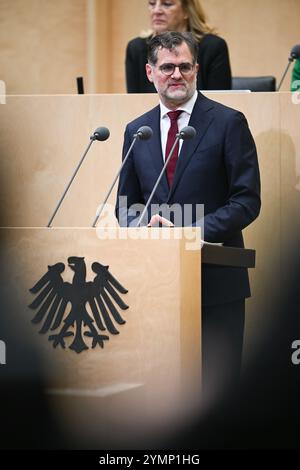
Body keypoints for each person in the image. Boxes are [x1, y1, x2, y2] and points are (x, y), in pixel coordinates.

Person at [116, 31, 261, 398]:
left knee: (220, 396)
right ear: (150, 73)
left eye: (184, 66)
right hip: (157, 286)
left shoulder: (229, 122)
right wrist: (141, 226)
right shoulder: (138, 131)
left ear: (197, 69)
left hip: (216, 283)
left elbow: (246, 200)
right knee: (163, 398)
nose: (176, 75)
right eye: (167, 67)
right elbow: (126, 206)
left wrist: (188, 231)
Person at [125, 0, 231, 93]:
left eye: (167, 4)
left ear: (186, 10)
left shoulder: (213, 47)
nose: (156, 11)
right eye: (152, 3)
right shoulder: (136, 48)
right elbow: (135, 103)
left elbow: (220, 103)